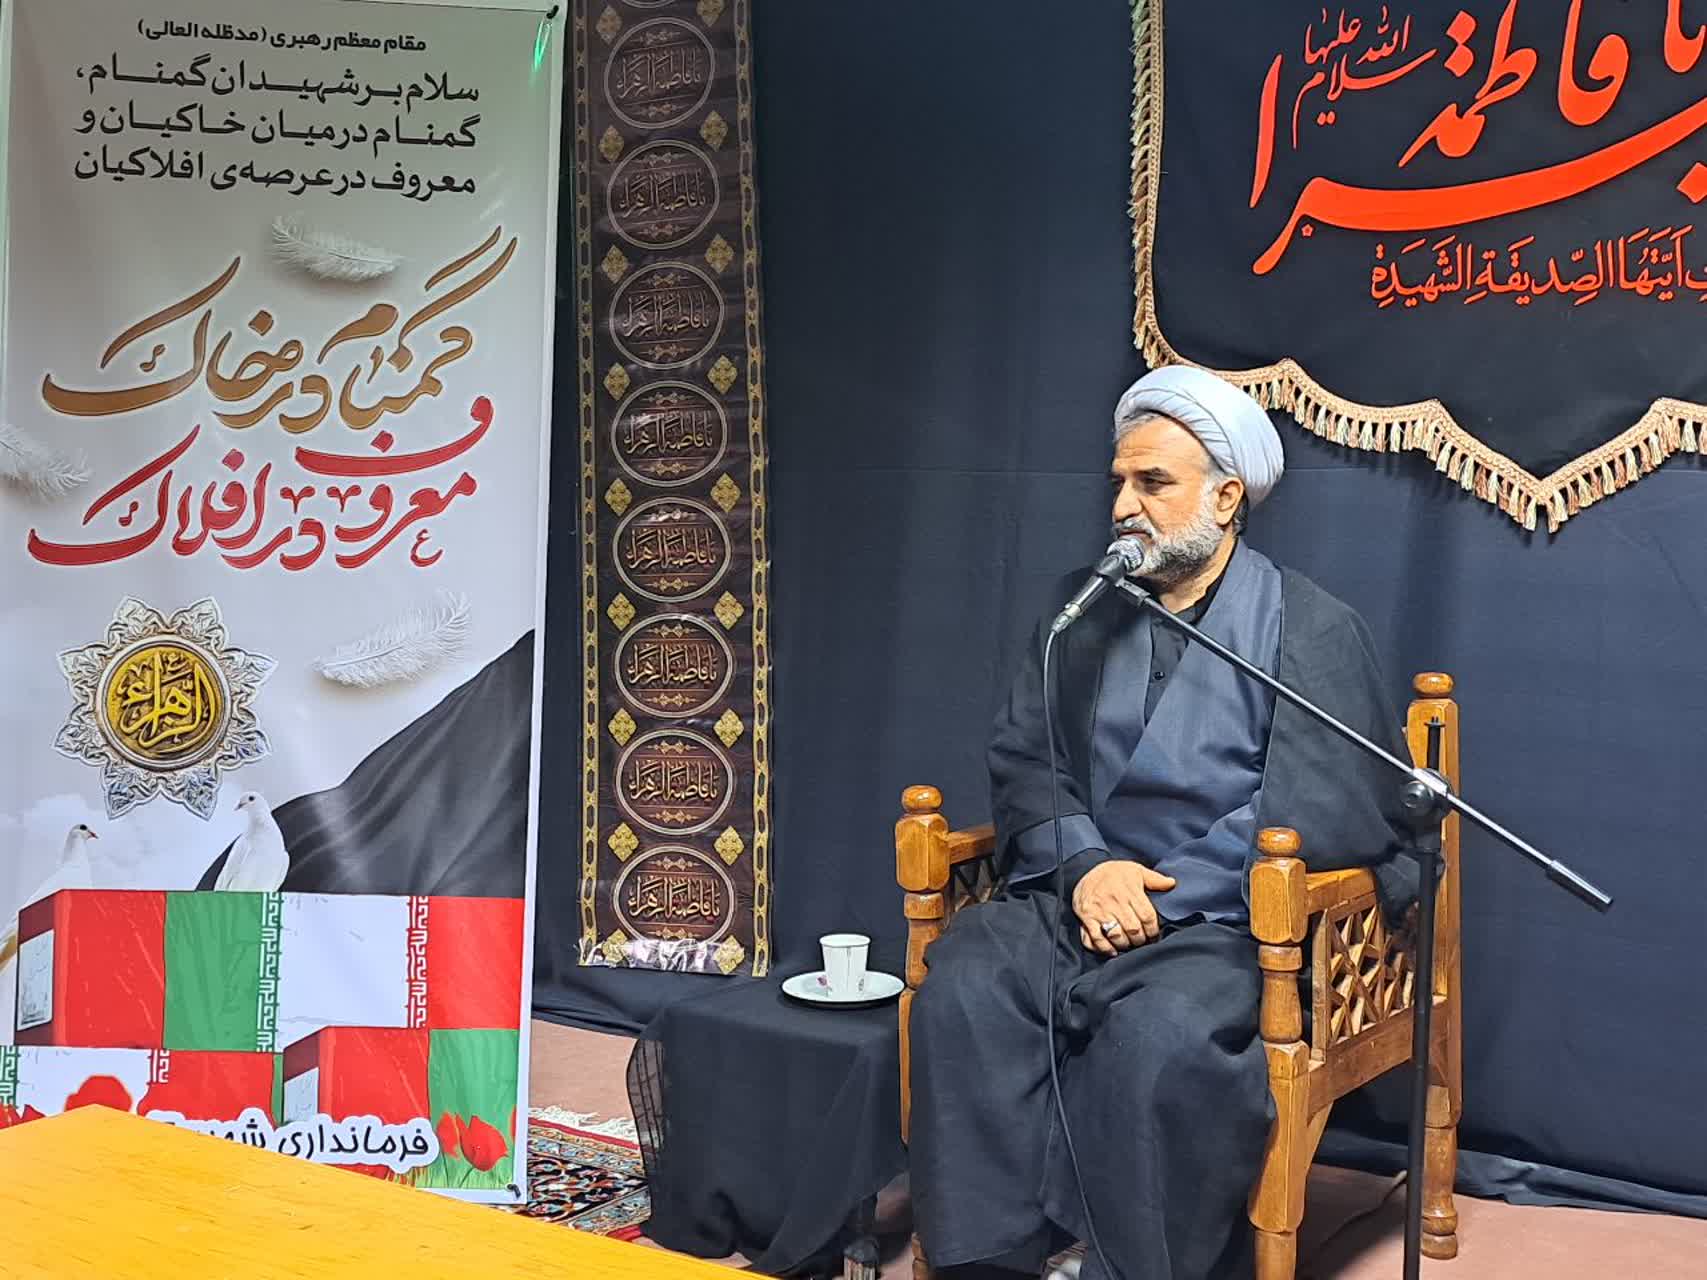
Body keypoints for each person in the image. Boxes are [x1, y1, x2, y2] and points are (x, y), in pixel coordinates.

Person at [908, 365, 1420, 1280]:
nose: (1122, 507)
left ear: (1225, 499)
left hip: (1222, 919)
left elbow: (1327, 805)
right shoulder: (1078, 612)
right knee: (969, 984)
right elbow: (1027, 758)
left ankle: (1125, 1265)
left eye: (1152, 483)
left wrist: (1161, 892)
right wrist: (1085, 867)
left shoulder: (1308, 625)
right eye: (1118, 482)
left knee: (1161, 1034)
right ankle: (990, 1259)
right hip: (1080, 892)